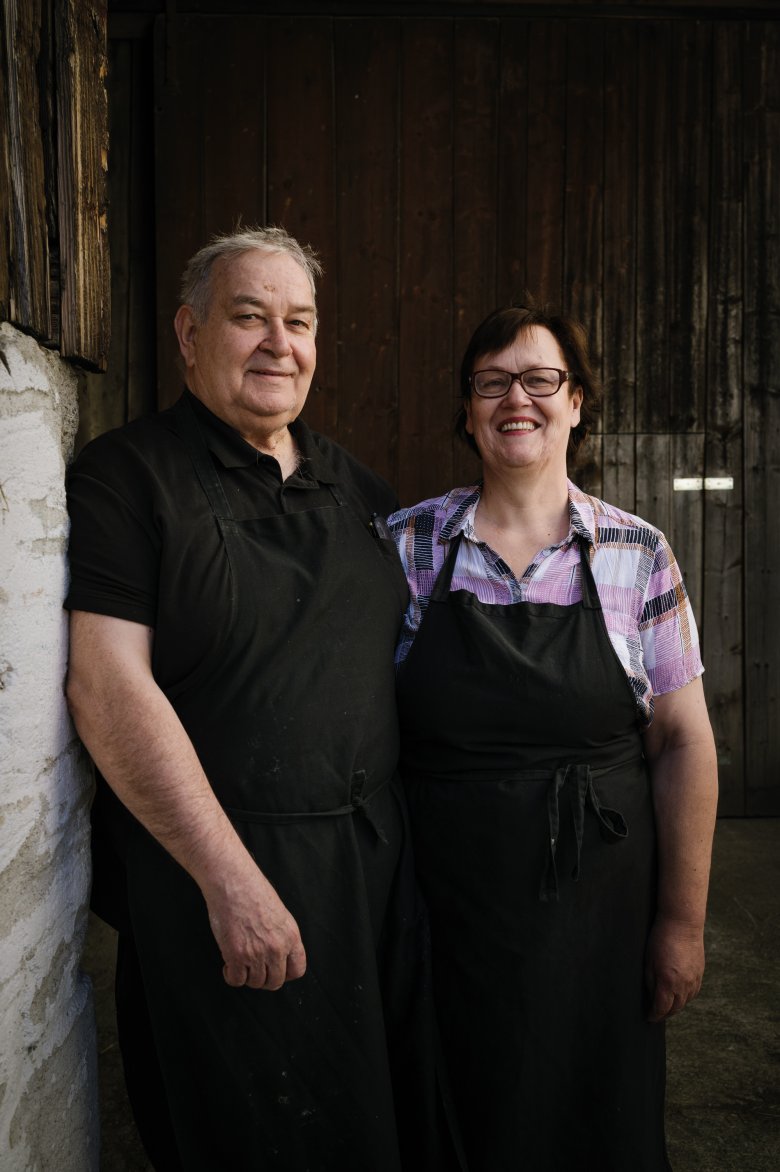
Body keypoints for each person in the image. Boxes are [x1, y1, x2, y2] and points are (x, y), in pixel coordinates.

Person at [65, 226, 452, 1172]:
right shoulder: (129, 477)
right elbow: (108, 685)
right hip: (226, 873)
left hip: (369, 872)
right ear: (190, 334)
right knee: (255, 1136)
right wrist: (229, 882)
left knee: (381, 1120)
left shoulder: (357, 486)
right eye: (250, 317)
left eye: (301, 321)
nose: (281, 342)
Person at [389, 302, 719, 1171]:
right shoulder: (408, 547)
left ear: (577, 401)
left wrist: (681, 922)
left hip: (598, 924)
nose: (516, 400)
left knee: (592, 1126)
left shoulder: (637, 553)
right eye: (491, 382)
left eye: (541, 379)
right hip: (444, 912)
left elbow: (684, 742)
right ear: (466, 410)